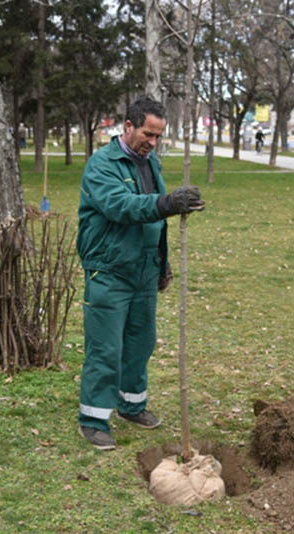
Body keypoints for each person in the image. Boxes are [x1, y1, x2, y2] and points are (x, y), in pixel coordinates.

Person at [76, 97, 205, 450]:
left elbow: (156, 224)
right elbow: (120, 206)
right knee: (105, 347)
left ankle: (131, 405)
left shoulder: (152, 164)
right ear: (128, 126)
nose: (153, 142)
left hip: (144, 271)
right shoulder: (102, 165)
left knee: (140, 341)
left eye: (159, 136)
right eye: (148, 134)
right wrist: (166, 203)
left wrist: (162, 264)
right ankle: (93, 419)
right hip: (110, 270)